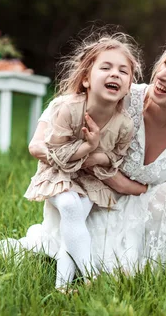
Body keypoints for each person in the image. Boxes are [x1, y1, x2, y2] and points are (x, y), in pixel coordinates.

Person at [0, 35, 166, 283]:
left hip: (141, 213)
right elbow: (69, 104)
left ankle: (147, 263)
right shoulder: (124, 95)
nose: (162, 75)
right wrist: (52, 143)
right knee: (93, 254)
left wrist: (124, 184)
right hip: (93, 201)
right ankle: (86, 266)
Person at [17, 33, 142, 290]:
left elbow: (115, 157)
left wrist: (96, 155)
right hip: (56, 174)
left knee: (72, 225)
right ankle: (88, 276)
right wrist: (87, 146)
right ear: (86, 79)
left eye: (123, 71)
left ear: (129, 85)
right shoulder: (69, 108)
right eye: (105, 68)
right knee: (72, 210)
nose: (115, 74)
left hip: (88, 181)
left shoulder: (124, 124)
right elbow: (53, 149)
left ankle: (63, 288)